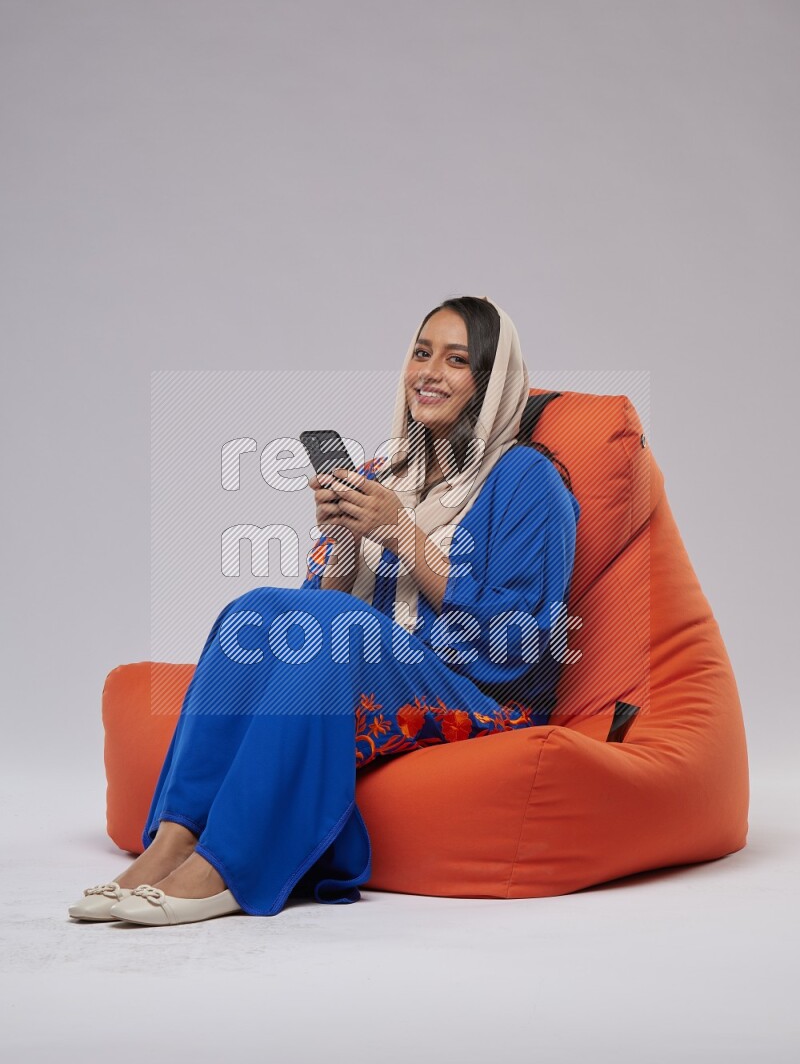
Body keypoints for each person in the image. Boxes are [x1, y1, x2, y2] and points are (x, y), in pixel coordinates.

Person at [68, 295, 581, 927]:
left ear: (493, 380)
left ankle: (231, 868)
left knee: (340, 632)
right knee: (253, 611)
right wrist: (341, 542)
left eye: (457, 360)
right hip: (381, 665)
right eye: (421, 353)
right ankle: (175, 840)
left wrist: (404, 537)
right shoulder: (385, 473)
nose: (429, 371)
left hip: (484, 691)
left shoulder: (529, 479)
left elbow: (523, 637)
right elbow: (316, 622)